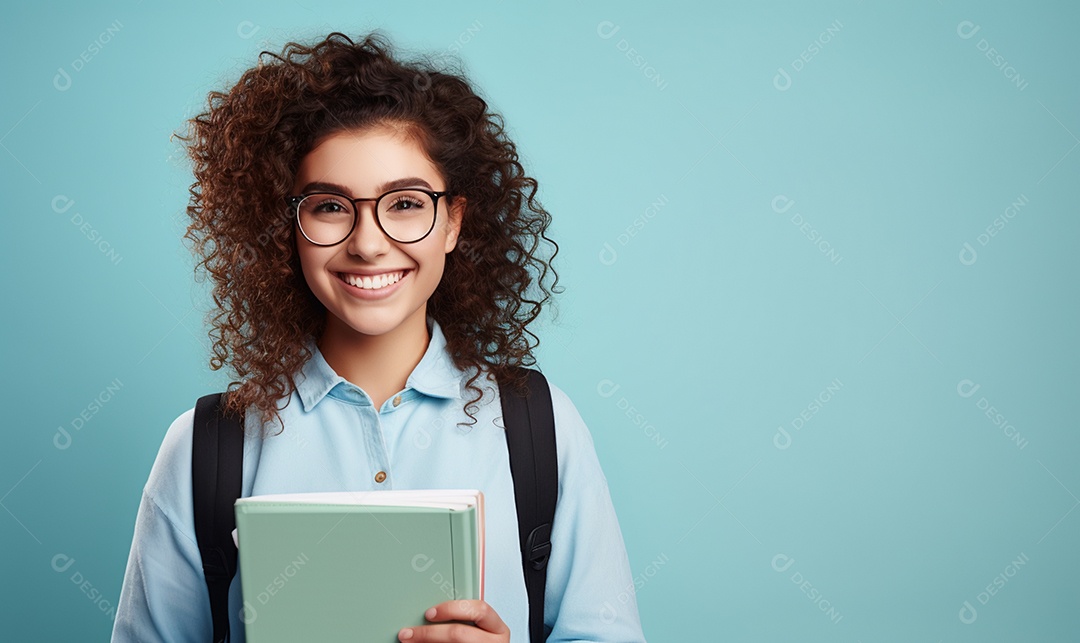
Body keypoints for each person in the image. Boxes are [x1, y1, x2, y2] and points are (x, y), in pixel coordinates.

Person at [111, 31, 645, 642]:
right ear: (285, 226)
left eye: (406, 204)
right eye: (331, 207)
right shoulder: (206, 449)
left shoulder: (540, 428)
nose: (367, 243)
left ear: (453, 222)